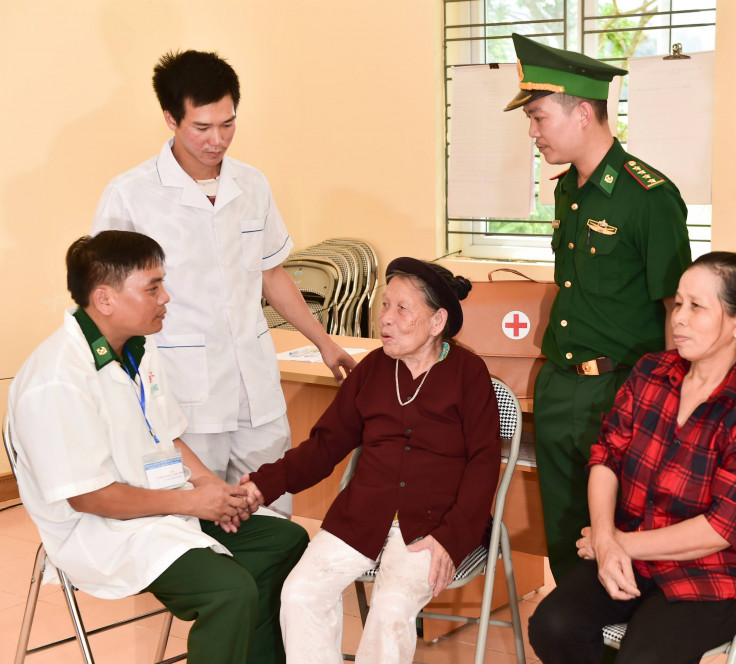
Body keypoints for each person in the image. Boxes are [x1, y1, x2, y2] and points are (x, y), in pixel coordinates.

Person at [7, 231, 309, 664]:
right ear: (105, 299)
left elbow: (168, 436)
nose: (166, 297)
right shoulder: (56, 379)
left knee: (284, 540)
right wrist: (192, 502)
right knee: (228, 591)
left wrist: (212, 488)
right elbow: (89, 498)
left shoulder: (138, 348)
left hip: (162, 507)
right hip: (100, 530)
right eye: (153, 287)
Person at [91, 50, 356, 514]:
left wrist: (324, 343)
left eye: (228, 124)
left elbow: (271, 274)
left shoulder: (252, 185)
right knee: (192, 521)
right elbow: (107, 301)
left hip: (255, 389)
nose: (218, 140)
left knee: (273, 512)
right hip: (181, 395)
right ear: (171, 119)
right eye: (202, 127)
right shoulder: (130, 195)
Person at [527, 252, 736, 663]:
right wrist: (604, 538)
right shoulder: (651, 372)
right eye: (679, 303)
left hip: (710, 575)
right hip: (630, 554)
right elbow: (606, 457)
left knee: (644, 658)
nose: (678, 318)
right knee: (552, 625)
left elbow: (720, 529)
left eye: (697, 307)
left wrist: (615, 543)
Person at [241, 257, 500, 664]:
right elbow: (325, 446)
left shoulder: (469, 374)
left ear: (437, 322)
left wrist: (452, 538)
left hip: (433, 524)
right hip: (362, 515)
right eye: (385, 305)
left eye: (402, 308)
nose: (386, 319)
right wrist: (263, 484)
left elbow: (484, 465)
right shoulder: (372, 369)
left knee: (391, 608)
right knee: (300, 593)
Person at [503, 33, 692, 582]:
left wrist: (666, 406)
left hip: (621, 391)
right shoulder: (569, 190)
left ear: (583, 113)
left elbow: (676, 313)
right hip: (559, 384)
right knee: (565, 535)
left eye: (539, 117)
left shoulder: (649, 197)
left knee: (619, 536)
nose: (533, 132)